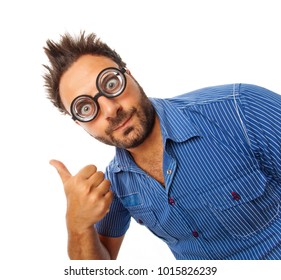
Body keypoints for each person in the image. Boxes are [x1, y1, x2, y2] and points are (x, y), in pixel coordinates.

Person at [43, 31, 281, 260]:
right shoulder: (115, 183)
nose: (109, 109)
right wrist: (78, 225)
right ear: (79, 124)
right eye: (86, 108)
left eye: (111, 83)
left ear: (130, 75)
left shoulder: (241, 108)